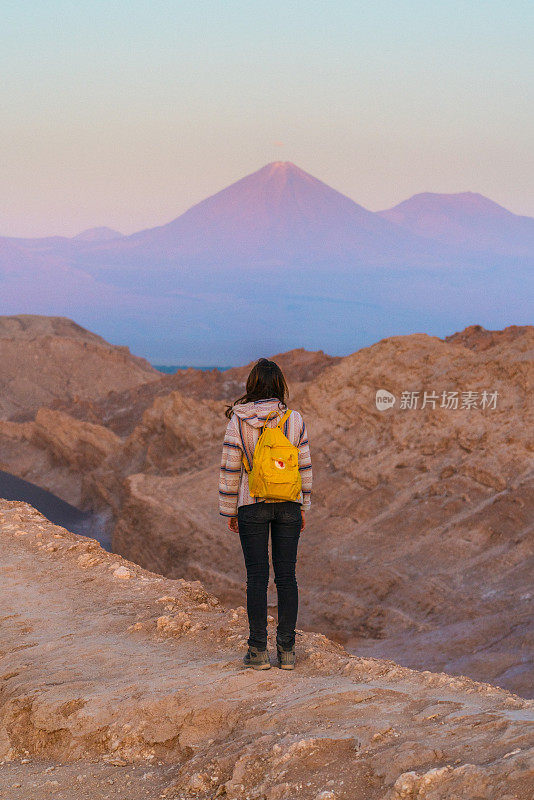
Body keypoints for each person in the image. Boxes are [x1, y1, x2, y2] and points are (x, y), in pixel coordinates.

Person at [219, 358, 312, 670]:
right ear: (280, 386)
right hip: (288, 504)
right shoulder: (295, 419)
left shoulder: (238, 421)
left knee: (256, 578)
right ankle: (287, 651)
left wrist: (231, 509)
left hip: (252, 505)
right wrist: (303, 504)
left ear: (252, 385)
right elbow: (304, 465)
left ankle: (258, 650)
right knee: (287, 577)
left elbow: (231, 465)